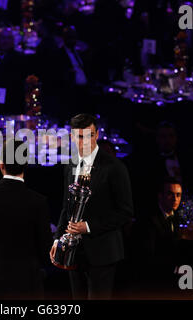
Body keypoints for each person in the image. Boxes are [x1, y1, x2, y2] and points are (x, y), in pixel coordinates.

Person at [50, 113, 133, 299]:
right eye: (80, 136)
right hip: (74, 252)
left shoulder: (115, 167)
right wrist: (57, 239)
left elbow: (125, 212)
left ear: (96, 135)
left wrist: (88, 226)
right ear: (72, 136)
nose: (86, 141)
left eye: (90, 135)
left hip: (103, 253)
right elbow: (66, 206)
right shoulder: (70, 164)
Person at [0, 140, 53, 299]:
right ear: (26, 165)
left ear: (1, 164)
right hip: (26, 280)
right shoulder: (38, 201)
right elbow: (45, 248)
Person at [130, 177, 184, 293]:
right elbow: (146, 256)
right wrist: (175, 269)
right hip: (150, 277)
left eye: (178, 195)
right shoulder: (148, 220)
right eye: (170, 194)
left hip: (167, 272)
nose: (175, 199)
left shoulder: (175, 217)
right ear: (160, 196)